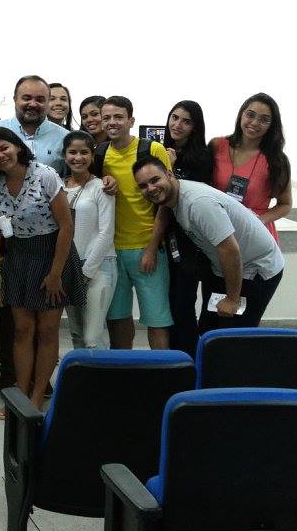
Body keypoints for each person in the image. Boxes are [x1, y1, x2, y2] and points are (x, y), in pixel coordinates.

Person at [0, 127, 78, 412]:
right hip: (18, 256)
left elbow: (66, 227)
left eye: (4, 148)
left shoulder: (45, 175)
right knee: (22, 330)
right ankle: (21, 396)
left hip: (51, 255)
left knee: (47, 331)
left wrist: (55, 274)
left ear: (17, 146)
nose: (0, 155)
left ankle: (37, 397)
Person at [135, 157, 286, 330]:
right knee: (209, 327)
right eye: (143, 186)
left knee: (233, 334)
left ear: (169, 175)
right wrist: (152, 248)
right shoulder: (175, 192)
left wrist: (232, 299)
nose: (151, 188)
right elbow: (164, 206)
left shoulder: (198, 203)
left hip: (256, 268)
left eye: (155, 180)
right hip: (224, 268)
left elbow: (230, 250)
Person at [97, 96, 174, 351]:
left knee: (157, 319)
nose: (112, 122)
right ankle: (123, 369)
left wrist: (152, 248)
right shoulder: (99, 154)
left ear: (131, 120)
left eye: (118, 117)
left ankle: (162, 371)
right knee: (117, 318)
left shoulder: (152, 149)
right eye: (106, 117)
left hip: (148, 248)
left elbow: (166, 202)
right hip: (111, 251)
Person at [160, 99, 212, 353]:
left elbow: (180, 197)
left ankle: (188, 360)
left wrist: (169, 167)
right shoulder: (157, 150)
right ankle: (171, 358)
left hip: (188, 241)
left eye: (186, 121)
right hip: (161, 235)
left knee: (183, 303)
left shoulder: (202, 158)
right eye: (175, 117)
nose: (178, 125)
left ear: (195, 127)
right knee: (167, 304)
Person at [210, 92, 293, 241]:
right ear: (241, 114)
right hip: (217, 226)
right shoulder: (217, 145)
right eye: (250, 115)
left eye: (264, 120)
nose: (255, 123)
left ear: (271, 125)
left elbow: (285, 204)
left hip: (254, 233)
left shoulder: (276, 160)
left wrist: (259, 221)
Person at [61, 130, 117, 351]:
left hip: (99, 266)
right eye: (72, 152)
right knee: (76, 334)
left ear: (92, 156)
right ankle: (81, 375)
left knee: (93, 337)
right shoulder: (58, 187)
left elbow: (106, 233)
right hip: (68, 267)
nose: (78, 157)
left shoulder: (102, 187)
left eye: (84, 152)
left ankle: (101, 375)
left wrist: (85, 272)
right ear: (64, 155)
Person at [0, 75, 67, 172]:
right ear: (15, 99)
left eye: (39, 100)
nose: (33, 104)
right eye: (26, 98)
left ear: (48, 102)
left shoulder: (64, 138)